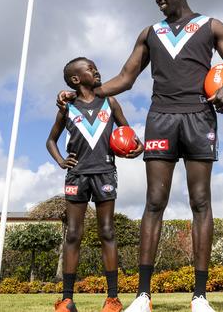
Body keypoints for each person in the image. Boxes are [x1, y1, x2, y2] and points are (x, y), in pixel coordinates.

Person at [58, 0, 223, 312]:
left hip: (199, 117)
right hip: (161, 119)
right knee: (154, 202)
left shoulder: (212, 26)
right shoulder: (150, 33)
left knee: (201, 202)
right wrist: (82, 93)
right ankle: (143, 295)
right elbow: (125, 78)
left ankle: (200, 296)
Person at [48, 57, 144, 312]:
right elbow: (51, 141)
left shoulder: (110, 101)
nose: (96, 70)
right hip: (77, 175)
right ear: (76, 79)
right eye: (89, 68)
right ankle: (67, 299)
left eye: (95, 66)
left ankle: (112, 299)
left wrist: (137, 146)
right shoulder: (66, 107)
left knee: (107, 232)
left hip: (105, 173)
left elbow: (128, 132)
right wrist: (61, 161)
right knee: (73, 234)